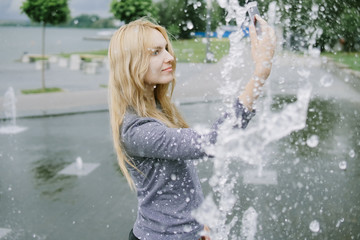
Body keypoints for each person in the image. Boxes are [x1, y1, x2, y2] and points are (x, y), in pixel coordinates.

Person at [108, 15, 276, 240]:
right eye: (156, 52)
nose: (170, 57)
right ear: (132, 63)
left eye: (166, 48)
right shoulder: (138, 130)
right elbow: (216, 140)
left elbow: (173, 188)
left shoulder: (156, 109)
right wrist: (259, 74)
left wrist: (197, 225)